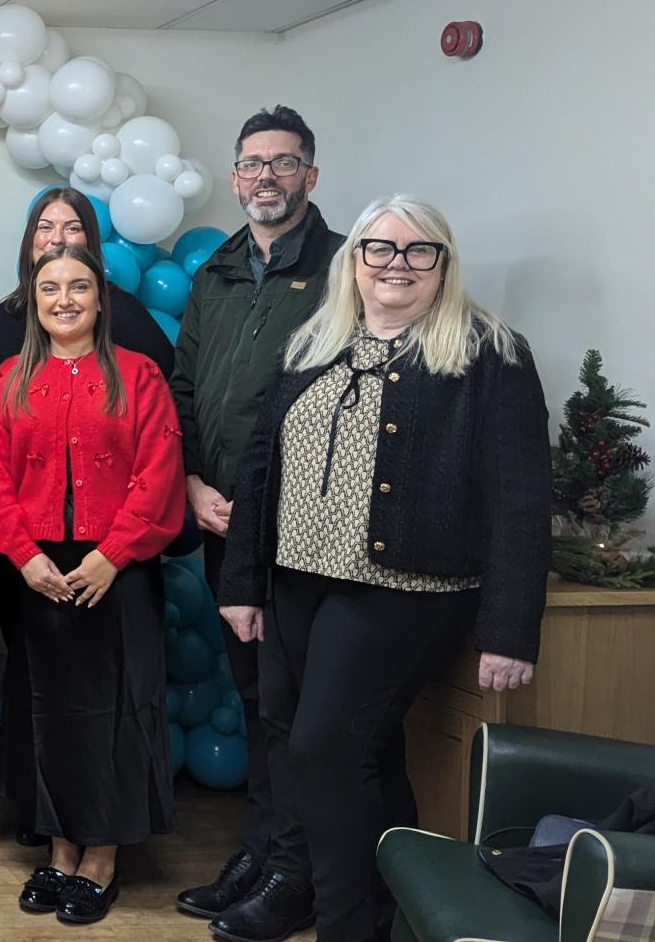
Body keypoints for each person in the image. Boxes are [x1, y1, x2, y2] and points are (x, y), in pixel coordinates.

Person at [218, 196, 550, 942]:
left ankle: (344, 926)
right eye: (380, 249)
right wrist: (241, 583)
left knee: (325, 749)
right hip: (296, 579)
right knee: (335, 743)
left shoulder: (488, 353)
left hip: (406, 591)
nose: (396, 264)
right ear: (354, 260)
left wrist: (510, 630)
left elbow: (522, 499)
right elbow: (259, 466)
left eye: (417, 251)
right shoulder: (313, 341)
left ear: (443, 264)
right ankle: (386, 909)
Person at [0, 244, 184, 924]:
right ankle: (61, 848)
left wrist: (113, 555)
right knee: (48, 712)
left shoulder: (139, 376)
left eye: (79, 286)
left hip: (116, 570)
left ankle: (102, 858)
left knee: (115, 712)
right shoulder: (9, 377)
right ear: (33, 301)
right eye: (50, 287)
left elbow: (159, 475)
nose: (64, 298)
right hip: (36, 571)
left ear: (101, 298)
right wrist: (24, 555)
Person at [171, 105, 344, 939]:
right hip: (219, 519)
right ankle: (264, 848)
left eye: (283, 162)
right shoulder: (219, 270)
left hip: (302, 533)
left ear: (311, 174)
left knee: (290, 705)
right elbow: (185, 390)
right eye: (251, 164)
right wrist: (193, 482)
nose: (265, 177)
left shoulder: (346, 268)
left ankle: (295, 873)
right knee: (252, 693)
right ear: (235, 176)